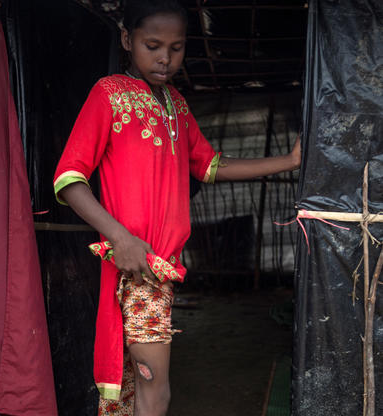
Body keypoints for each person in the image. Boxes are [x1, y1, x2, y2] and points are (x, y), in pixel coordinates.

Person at [53, 1, 301, 415]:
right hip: (136, 267)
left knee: (132, 389)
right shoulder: (109, 94)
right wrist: (121, 238)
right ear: (127, 39)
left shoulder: (179, 105)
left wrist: (289, 162)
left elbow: (210, 166)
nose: (165, 58)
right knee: (156, 391)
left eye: (177, 47)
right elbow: (69, 179)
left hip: (161, 269)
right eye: (152, 45)